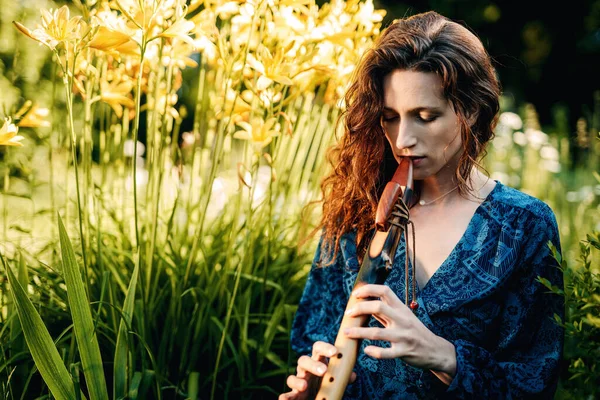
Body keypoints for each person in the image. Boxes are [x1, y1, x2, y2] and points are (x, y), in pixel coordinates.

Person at [279, 10, 564, 400]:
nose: (402, 140)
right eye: (390, 118)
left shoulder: (524, 225)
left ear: (473, 112)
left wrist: (442, 356)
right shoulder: (356, 210)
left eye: (425, 116)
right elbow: (313, 339)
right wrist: (315, 381)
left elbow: (535, 381)